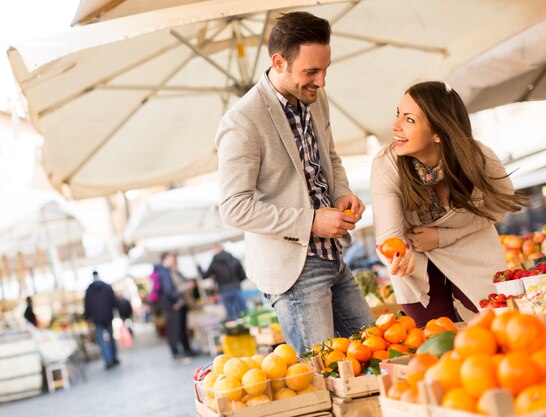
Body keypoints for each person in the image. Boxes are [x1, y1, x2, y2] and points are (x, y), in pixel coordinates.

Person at [215, 11, 374, 354]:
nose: (322, 81)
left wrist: (343, 193)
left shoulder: (317, 98)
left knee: (377, 358)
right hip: (294, 272)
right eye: (311, 72)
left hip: (334, 257)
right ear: (279, 62)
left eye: (325, 70)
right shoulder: (242, 121)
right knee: (323, 381)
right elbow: (233, 208)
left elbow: (329, 158)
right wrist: (311, 221)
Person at [370, 81, 527, 327]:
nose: (395, 125)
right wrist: (398, 256)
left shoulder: (479, 158)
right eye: (398, 114)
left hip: (473, 249)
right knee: (437, 347)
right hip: (418, 263)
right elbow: (389, 236)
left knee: (500, 331)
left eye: (409, 120)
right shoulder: (386, 164)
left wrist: (443, 238)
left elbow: (499, 206)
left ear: (438, 132)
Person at [153, 252, 195, 362]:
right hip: (172, 305)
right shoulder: (164, 272)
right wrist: (175, 301)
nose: (173, 259)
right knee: (174, 330)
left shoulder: (165, 271)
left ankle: (181, 351)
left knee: (177, 329)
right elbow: (168, 290)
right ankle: (176, 353)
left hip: (171, 304)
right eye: (171, 257)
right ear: (167, 258)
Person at [197, 243, 248, 319]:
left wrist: (199, 267)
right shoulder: (234, 260)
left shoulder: (214, 263)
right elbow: (243, 276)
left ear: (215, 250)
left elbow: (205, 276)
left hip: (224, 291)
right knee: (244, 313)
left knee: (231, 315)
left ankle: (236, 329)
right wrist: (236, 282)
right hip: (236, 289)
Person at [83, 271, 119, 369]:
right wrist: (116, 311)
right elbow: (114, 301)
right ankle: (114, 357)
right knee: (111, 337)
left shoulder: (89, 290)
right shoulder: (107, 287)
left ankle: (108, 360)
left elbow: (87, 306)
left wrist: (87, 317)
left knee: (101, 339)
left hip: (97, 318)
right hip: (108, 316)